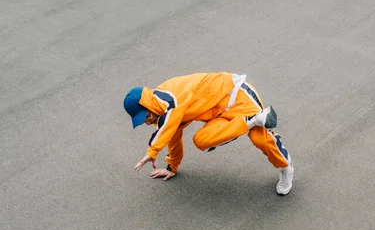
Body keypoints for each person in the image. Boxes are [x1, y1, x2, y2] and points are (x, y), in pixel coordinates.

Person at [123, 72, 294, 195]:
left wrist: (152, 151)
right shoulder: (164, 117)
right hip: (220, 116)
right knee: (201, 141)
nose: (146, 121)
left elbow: (171, 116)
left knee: (261, 140)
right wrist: (172, 168)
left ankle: (286, 167)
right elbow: (172, 137)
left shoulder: (168, 97)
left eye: (145, 116)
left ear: (147, 105)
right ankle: (253, 120)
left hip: (237, 96)